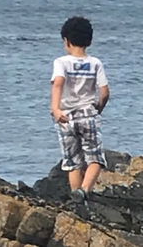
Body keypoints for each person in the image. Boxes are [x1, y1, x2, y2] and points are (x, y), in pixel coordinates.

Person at [50, 16, 110, 203]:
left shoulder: (61, 62)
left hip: (66, 116)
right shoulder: (95, 63)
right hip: (88, 114)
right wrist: (99, 107)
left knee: (72, 161)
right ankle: (84, 191)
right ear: (89, 41)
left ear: (66, 41)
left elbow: (58, 83)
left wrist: (56, 108)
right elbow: (105, 92)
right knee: (95, 159)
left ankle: (77, 197)